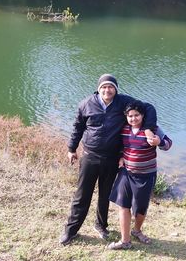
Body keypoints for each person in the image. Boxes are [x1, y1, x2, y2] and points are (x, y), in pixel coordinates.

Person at [60, 74, 158, 246]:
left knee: (105, 195)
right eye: (104, 87)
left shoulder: (123, 102)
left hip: (112, 158)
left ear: (116, 89)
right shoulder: (86, 104)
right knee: (82, 195)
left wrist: (148, 129)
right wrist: (71, 148)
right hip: (90, 156)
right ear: (99, 89)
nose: (107, 90)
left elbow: (148, 107)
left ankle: (101, 225)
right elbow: (77, 127)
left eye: (111, 87)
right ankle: (70, 231)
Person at [107, 100, 172, 250]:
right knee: (123, 205)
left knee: (140, 208)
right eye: (130, 116)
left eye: (136, 115)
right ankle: (125, 241)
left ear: (142, 115)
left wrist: (159, 142)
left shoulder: (153, 128)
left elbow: (168, 144)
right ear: (126, 117)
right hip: (126, 173)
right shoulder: (124, 128)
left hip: (146, 175)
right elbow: (120, 146)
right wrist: (121, 156)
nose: (133, 118)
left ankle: (137, 231)